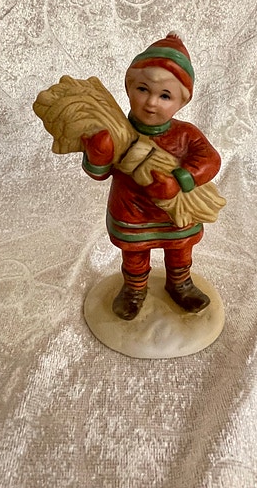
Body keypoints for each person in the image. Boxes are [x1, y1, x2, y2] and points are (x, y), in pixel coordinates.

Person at [81, 33, 222, 320]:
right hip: (131, 210)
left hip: (175, 212)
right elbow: (100, 173)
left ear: (182, 101)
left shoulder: (185, 134)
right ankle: (134, 289)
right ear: (128, 87)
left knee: (180, 250)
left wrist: (180, 179)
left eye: (165, 95)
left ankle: (180, 283)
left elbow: (210, 160)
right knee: (134, 254)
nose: (151, 103)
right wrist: (98, 153)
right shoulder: (118, 133)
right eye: (143, 89)